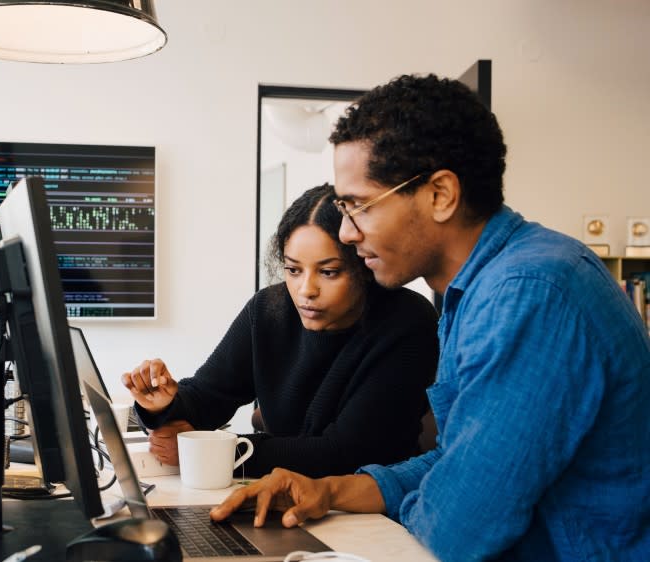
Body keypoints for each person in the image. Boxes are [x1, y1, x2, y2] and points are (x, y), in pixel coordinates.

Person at [210, 74, 650, 561]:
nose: (349, 234)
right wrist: (329, 492)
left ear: (440, 194)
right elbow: (454, 461)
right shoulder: (476, 291)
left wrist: (430, 499)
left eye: (357, 207)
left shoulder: (528, 294)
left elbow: (460, 528)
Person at [122, 183, 439, 479]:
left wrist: (213, 453)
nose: (306, 290)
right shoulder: (269, 309)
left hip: (371, 513)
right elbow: (209, 395)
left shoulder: (407, 321)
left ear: (363, 267)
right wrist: (162, 405)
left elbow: (348, 452)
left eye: (328, 272)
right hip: (285, 495)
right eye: (293, 269)